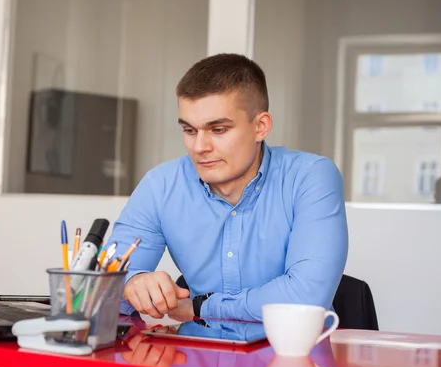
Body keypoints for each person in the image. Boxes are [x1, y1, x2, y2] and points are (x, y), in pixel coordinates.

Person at [106, 53, 348, 322]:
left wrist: (202, 307)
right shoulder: (160, 185)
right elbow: (100, 282)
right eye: (189, 130)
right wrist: (133, 283)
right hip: (202, 356)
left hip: (297, 353)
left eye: (218, 130)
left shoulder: (310, 177)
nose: (200, 147)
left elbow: (305, 297)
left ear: (260, 126)